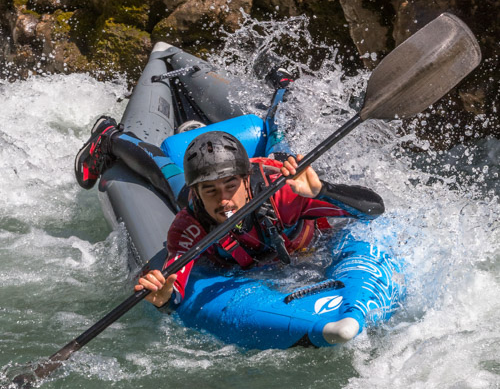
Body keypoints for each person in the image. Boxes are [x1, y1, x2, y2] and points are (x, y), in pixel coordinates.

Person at [75, 115, 384, 312]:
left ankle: (272, 123)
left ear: (245, 180)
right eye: (210, 190)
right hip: (201, 199)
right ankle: (111, 137)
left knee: (281, 147)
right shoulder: (190, 225)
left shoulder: (286, 193)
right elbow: (175, 286)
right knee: (166, 175)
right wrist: (165, 298)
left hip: (275, 183)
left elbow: (373, 209)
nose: (223, 200)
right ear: (197, 192)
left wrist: (322, 191)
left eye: (229, 186)